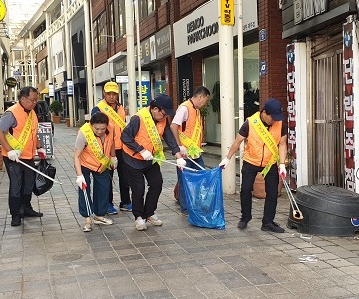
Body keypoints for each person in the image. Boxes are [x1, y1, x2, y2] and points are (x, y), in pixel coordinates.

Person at [219, 98, 288, 233]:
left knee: (273, 193)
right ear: (264, 113)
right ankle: (245, 217)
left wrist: (282, 164)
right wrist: (227, 159)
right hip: (251, 161)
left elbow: (282, 143)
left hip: (270, 162)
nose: (274, 120)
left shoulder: (280, 124)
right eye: (272, 117)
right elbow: (238, 141)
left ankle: (267, 222)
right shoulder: (250, 123)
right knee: (245, 190)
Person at [121, 95, 186, 231]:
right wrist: (141, 150)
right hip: (133, 159)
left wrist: (178, 154)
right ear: (155, 109)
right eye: (164, 113)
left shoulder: (162, 119)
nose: (165, 117)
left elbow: (168, 136)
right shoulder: (138, 118)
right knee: (138, 189)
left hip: (151, 159)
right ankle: (139, 217)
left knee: (157, 184)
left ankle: (149, 213)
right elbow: (125, 136)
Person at [0, 87, 46, 227]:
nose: (35, 102)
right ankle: (16, 215)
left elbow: (33, 133)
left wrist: (39, 148)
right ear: (23, 99)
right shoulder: (11, 113)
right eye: (32, 100)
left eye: (36, 99)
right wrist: (10, 151)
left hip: (28, 156)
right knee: (16, 185)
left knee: (28, 184)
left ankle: (26, 209)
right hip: (13, 157)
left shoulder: (32, 113)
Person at [91, 81, 131, 215]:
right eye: (109, 94)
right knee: (107, 177)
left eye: (114, 94)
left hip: (122, 147)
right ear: (104, 93)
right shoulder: (98, 108)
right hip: (106, 148)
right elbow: (94, 130)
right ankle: (108, 203)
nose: (112, 96)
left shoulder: (120, 108)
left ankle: (125, 202)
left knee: (125, 176)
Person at [170, 86, 211, 214]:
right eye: (206, 100)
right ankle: (185, 208)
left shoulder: (196, 110)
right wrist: (179, 147)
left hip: (195, 151)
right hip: (184, 153)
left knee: (201, 175)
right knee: (184, 179)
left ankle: (197, 202)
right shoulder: (184, 108)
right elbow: (173, 126)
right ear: (200, 97)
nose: (205, 103)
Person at [74, 112, 116, 232]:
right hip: (85, 164)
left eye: (103, 129)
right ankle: (87, 219)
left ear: (107, 126)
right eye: (96, 128)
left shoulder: (111, 128)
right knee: (85, 190)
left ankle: (99, 215)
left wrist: (113, 157)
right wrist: (79, 175)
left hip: (102, 165)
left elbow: (112, 142)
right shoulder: (83, 133)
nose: (100, 131)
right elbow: (76, 156)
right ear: (91, 125)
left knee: (103, 188)